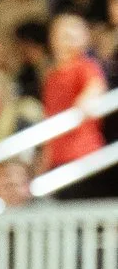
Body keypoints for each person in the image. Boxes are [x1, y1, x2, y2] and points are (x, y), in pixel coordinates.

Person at [42, 13, 108, 175]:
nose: (70, 37)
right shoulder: (51, 76)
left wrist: (86, 100)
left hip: (84, 154)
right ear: (53, 38)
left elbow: (95, 87)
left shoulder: (85, 66)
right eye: (64, 33)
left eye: (75, 31)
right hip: (57, 157)